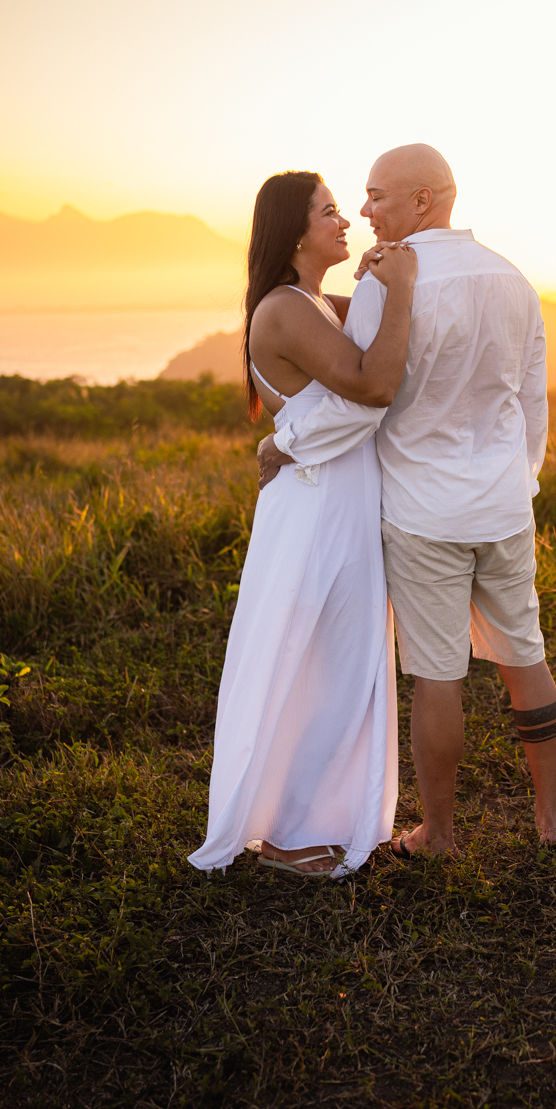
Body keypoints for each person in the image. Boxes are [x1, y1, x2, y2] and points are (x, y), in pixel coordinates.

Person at [257, 144, 556, 858]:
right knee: (526, 655)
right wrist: (520, 479)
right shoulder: (513, 278)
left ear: (422, 201)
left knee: (438, 675)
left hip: (423, 512)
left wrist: (288, 440)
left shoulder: (388, 280)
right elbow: (531, 397)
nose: (366, 212)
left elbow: (366, 400)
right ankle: (552, 819)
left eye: (378, 196)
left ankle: (439, 833)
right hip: (502, 504)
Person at [187, 170, 417, 879]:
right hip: (315, 508)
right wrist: (400, 286)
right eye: (330, 213)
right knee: (311, 662)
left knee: (345, 666)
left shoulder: (321, 301)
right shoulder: (285, 310)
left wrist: (397, 268)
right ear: (294, 232)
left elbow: (388, 341)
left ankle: (328, 814)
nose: (345, 223)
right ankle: (286, 835)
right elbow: (376, 384)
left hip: (341, 500)